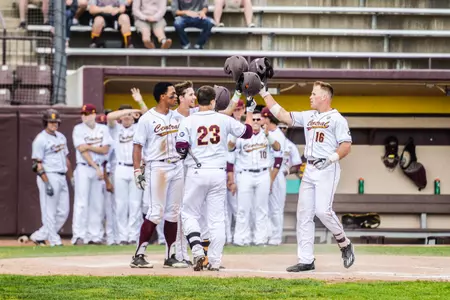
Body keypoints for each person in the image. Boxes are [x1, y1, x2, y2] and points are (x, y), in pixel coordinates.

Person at [259, 80, 355, 271]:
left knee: (323, 211)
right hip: (309, 168)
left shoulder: (337, 119)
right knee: (303, 214)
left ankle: (344, 243)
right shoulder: (309, 116)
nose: (310, 96)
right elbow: (283, 115)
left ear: (324, 97)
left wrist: (330, 159)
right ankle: (306, 260)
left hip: (327, 167)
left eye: (313, 93)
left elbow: (346, 146)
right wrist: (263, 92)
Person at [175, 85, 255, 271]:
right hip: (218, 172)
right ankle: (215, 261)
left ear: (198, 100)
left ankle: (196, 249)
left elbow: (180, 147)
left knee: (189, 213)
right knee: (217, 219)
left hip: (196, 171)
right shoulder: (223, 119)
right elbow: (248, 132)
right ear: (213, 102)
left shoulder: (188, 120)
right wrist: (249, 111)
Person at [130, 82, 187, 269]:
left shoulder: (178, 117)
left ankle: (170, 256)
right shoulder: (147, 118)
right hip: (158, 167)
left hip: (177, 166)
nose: (175, 97)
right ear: (162, 96)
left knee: (173, 213)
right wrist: (137, 170)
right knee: (156, 212)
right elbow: (137, 146)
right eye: (172, 94)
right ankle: (139, 255)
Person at [228, 109, 281, 246]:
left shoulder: (267, 135)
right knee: (243, 208)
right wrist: (236, 132)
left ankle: (260, 239)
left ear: (262, 121)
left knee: (261, 208)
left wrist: (268, 134)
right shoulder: (241, 135)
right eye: (254, 119)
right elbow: (229, 148)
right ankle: (241, 239)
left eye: (259, 119)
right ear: (249, 121)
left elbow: (277, 147)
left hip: (263, 173)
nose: (256, 122)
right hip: (245, 173)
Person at [30, 109, 73, 246]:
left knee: (63, 211)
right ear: (46, 123)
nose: (54, 124)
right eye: (51, 122)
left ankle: (39, 236)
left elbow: (66, 159)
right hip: (49, 175)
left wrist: (71, 178)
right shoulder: (40, 139)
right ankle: (54, 241)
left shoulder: (61, 136)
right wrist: (46, 182)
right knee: (49, 211)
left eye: (56, 122)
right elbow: (37, 163)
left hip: (61, 175)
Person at [71, 104, 113, 245]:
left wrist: (89, 146)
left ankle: (94, 236)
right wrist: (96, 167)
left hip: (98, 168)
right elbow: (82, 152)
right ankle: (79, 235)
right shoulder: (78, 129)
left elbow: (105, 149)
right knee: (81, 203)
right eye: (83, 114)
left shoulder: (103, 129)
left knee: (97, 203)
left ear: (94, 114)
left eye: (87, 114)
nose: (84, 116)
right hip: (85, 167)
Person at [107, 103, 147, 245]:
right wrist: (127, 111)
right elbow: (109, 117)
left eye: (129, 115)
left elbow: (147, 115)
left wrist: (137, 109)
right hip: (120, 168)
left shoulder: (138, 128)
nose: (127, 117)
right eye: (124, 114)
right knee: (120, 205)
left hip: (136, 168)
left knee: (135, 204)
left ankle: (133, 236)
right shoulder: (115, 128)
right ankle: (122, 237)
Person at [260, 107, 287, 246]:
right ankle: (268, 235)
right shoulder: (267, 133)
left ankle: (276, 238)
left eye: (262, 118)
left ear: (267, 118)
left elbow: (278, 161)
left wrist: (270, 180)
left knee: (276, 208)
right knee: (267, 208)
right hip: (267, 174)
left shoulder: (277, 135)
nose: (260, 120)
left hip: (276, 175)